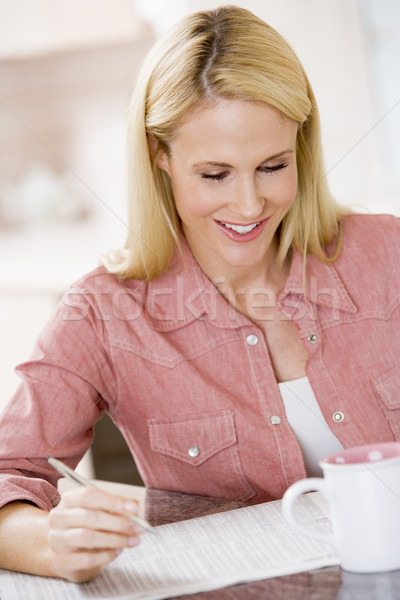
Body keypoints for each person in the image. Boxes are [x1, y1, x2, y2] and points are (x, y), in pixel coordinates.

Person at [0, 4, 399, 584]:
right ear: (159, 157)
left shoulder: (386, 255)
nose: (247, 205)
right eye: (215, 175)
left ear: (301, 147)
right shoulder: (104, 314)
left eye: (272, 166)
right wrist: (47, 543)